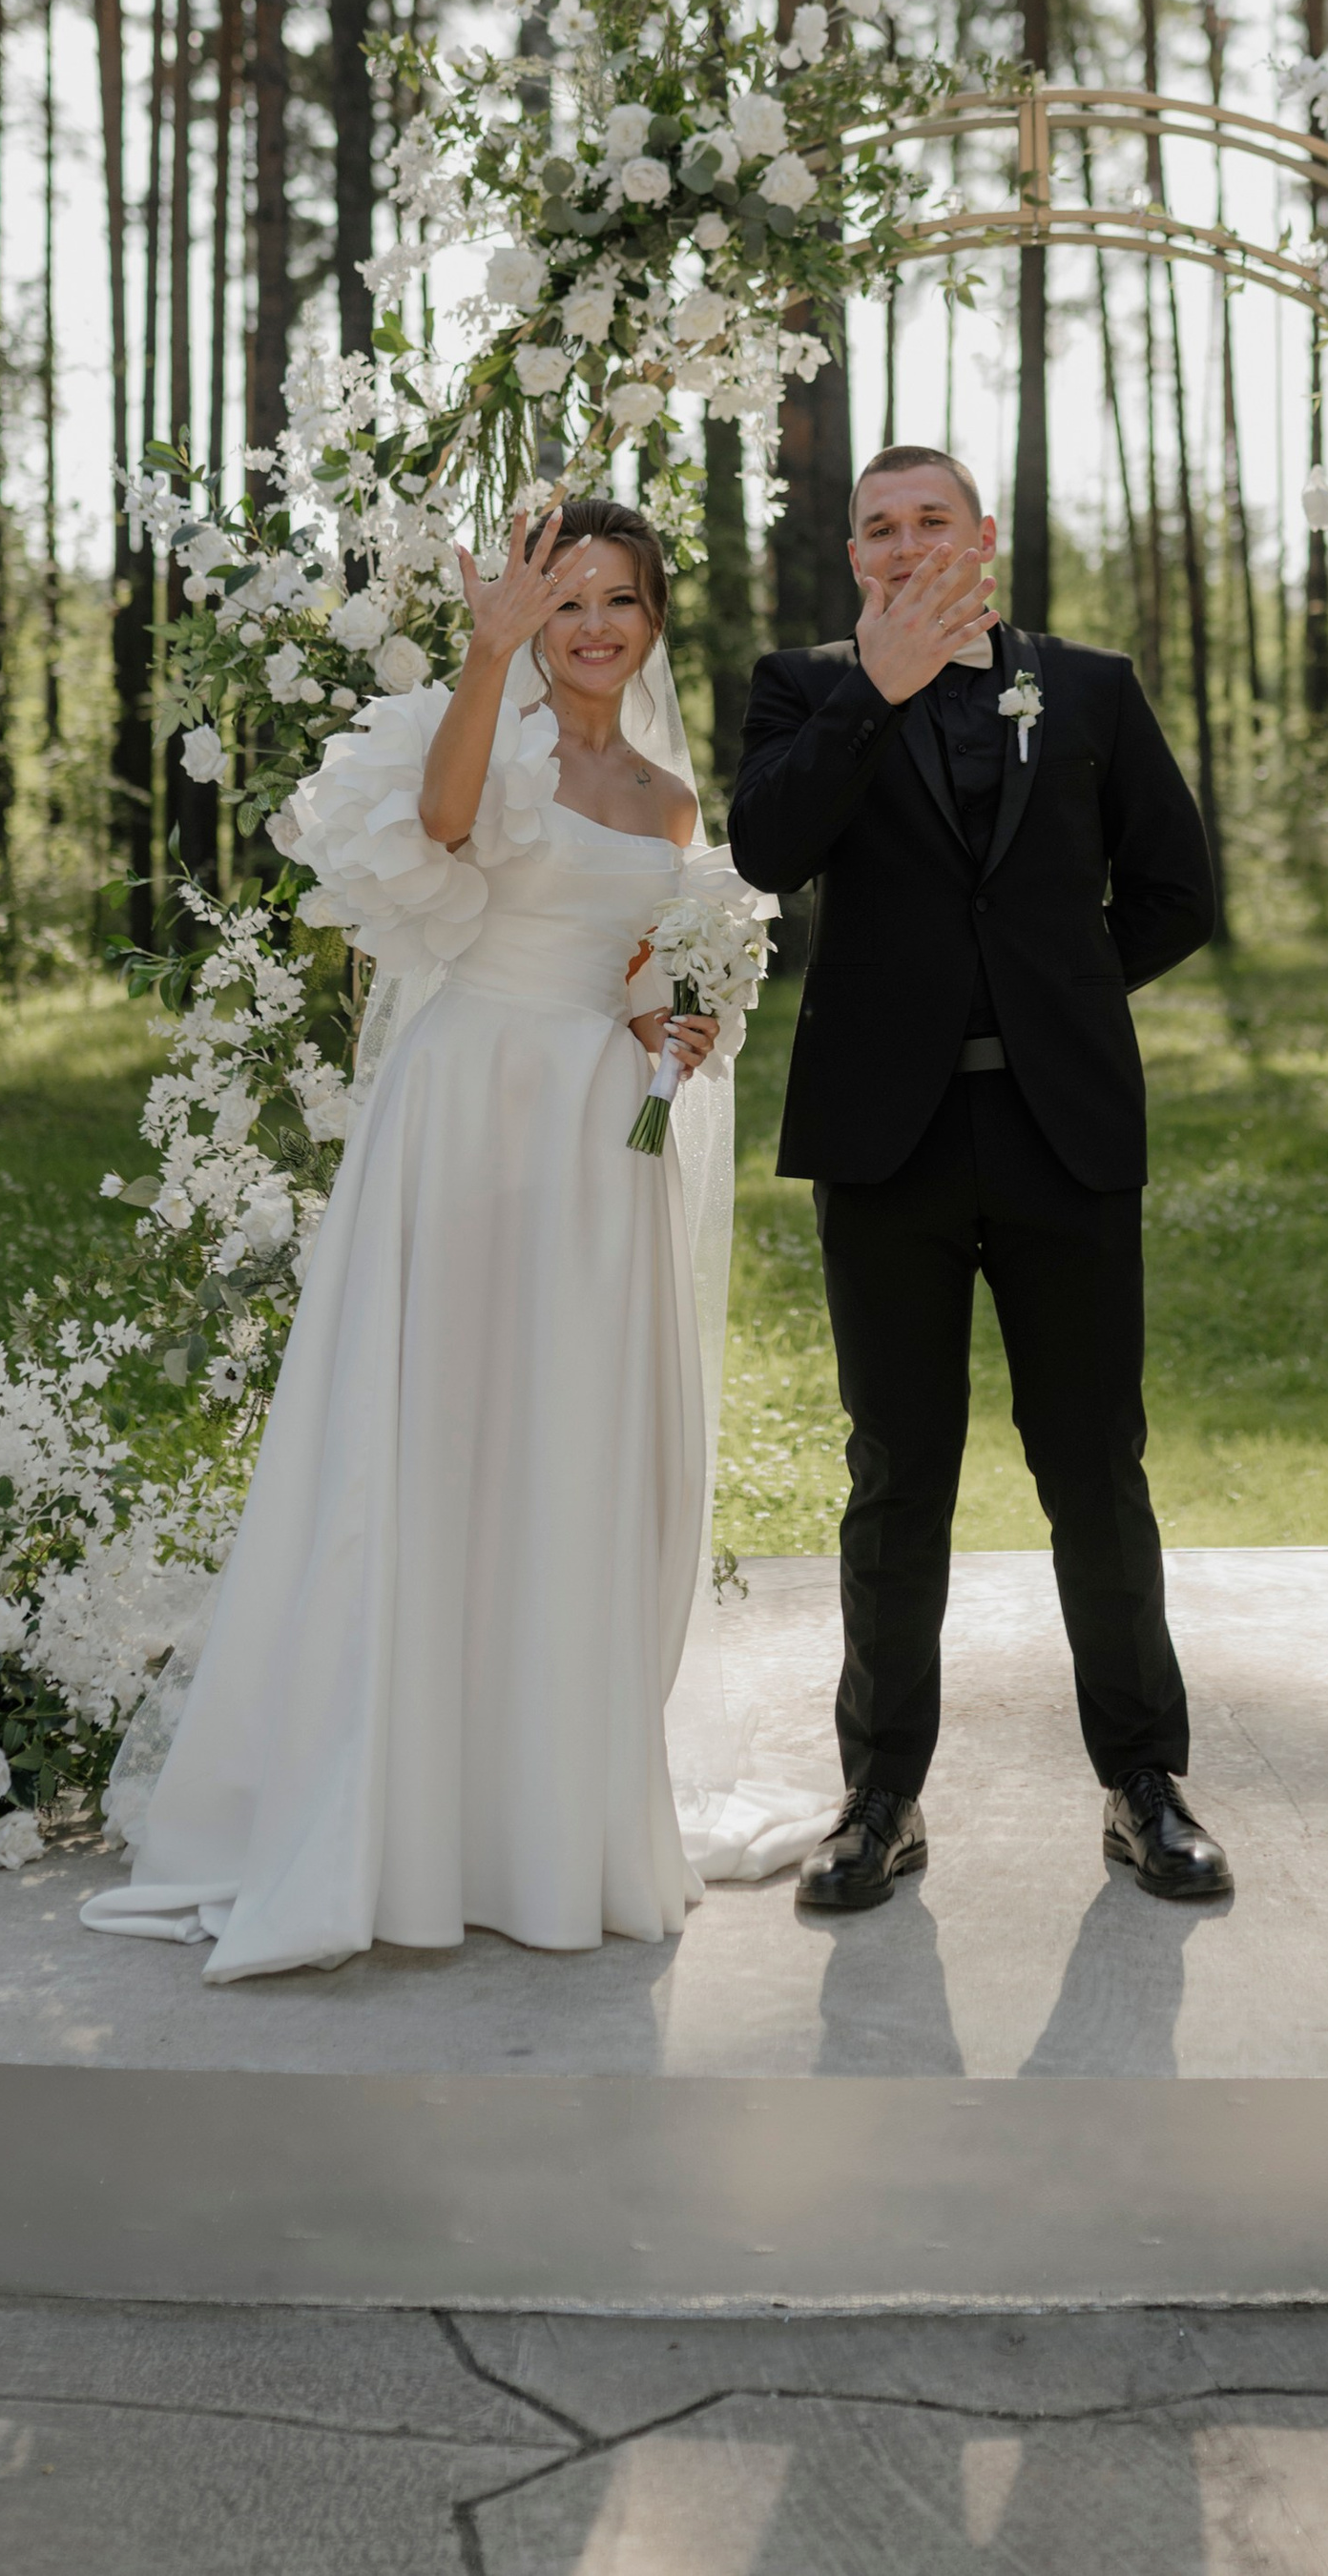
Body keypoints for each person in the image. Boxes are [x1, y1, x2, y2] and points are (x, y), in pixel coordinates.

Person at [82, 496, 823, 1980]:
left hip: (593, 1135)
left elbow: (637, 970)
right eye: (566, 604)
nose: (595, 627)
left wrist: (665, 1019)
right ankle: (400, 1813)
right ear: (531, 619)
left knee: (566, 1445)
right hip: (469, 1109)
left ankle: (542, 1811)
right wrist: (487, 659)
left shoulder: (676, 803)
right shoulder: (491, 731)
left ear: (655, 617)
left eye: (619, 601)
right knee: (439, 1433)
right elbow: (438, 831)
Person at [726, 444, 1234, 1915]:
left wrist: (1056, 994)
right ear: (852, 556)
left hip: (1060, 1136)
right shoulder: (797, 684)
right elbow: (765, 847)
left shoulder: (1088, 686)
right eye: (877, 527)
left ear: (985, 540)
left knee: (1094, 1465)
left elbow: (1176, 892)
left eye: (929, 518)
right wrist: (868, 693)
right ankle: (879, 1796)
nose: (903, 542)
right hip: (882, 1147)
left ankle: (1145, 1785)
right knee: (897, 1478)